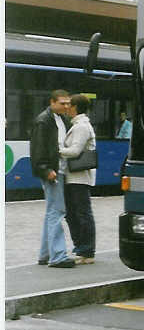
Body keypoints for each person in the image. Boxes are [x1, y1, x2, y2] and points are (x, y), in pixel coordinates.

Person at [30, 90, 75, 268]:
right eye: (62, 103)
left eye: (68, 103)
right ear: (52, 102)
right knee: (57, 211)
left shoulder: (60, 119)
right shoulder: (44, 120)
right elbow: (38, 148)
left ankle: (45, 254)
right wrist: (45, 169)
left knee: (52, 211)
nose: (66, 106)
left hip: (58, 170)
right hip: (53, 171)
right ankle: (58, 256)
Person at [59, 94, 97, 265]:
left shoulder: (82, 126)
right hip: (73, 176)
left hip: (79, 177)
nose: (67, 108)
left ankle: (87, 250)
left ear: (75, 107)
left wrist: (57, 149)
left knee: (82, 213)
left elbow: (75, 151)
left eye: (69, 105)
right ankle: (81, 248)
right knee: (72, 212)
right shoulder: (77, 125)